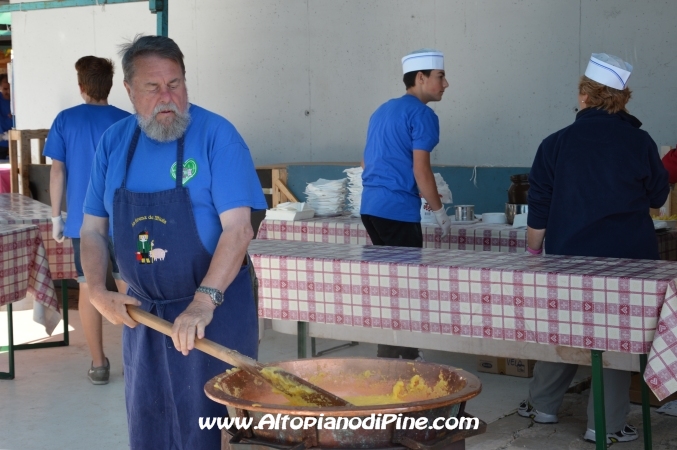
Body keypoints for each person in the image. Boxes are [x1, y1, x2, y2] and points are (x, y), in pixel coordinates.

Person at [80, 35, 266, 450]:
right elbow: (92, 230)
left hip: (214, 313)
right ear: (128, 90)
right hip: (144, 317)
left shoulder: (218, 135)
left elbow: (238, 230)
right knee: (151, 428)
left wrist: (203, 302)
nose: (168, 97)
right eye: (153, 87)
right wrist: (97, 289)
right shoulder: (114, 143)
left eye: (176, 84)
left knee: (212, 431)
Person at [519, 53, 669, 444]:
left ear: (584, 96)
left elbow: (539, 207)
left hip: (570, 256)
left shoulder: (556, 142)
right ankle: (605, 423)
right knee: (617, 336)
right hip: (630, 258)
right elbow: (658, 194)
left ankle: (544, 406)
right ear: (622, 99)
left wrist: (535, 254)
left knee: (564, 328)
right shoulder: (640, 141)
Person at [360, 49, 451, 360]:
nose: (446, 83)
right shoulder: (423, 115)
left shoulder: (382, 110)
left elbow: (365, 161)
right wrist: (439, 210)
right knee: (408, 287)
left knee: (391, 284)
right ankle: (404, 359)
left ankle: (392, 354)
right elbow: (420, 169)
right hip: (397, 211)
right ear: (421, 78)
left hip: (371, 207)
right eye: (440, 77)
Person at [44, 56, 130, 385]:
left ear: (81, 88)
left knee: (89, 287)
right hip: (126, 218)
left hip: (82, 221)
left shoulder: (65, 120)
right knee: (131, 284)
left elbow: (57, 170)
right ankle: (139, 359)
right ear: (110, 85)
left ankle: (98, 364)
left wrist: (56, 216)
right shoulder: (127, 121)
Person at [0, 73, 13, 159]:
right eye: (5, 89)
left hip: (15, 141)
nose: (8, 92)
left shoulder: (16, 99)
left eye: (10, 89)